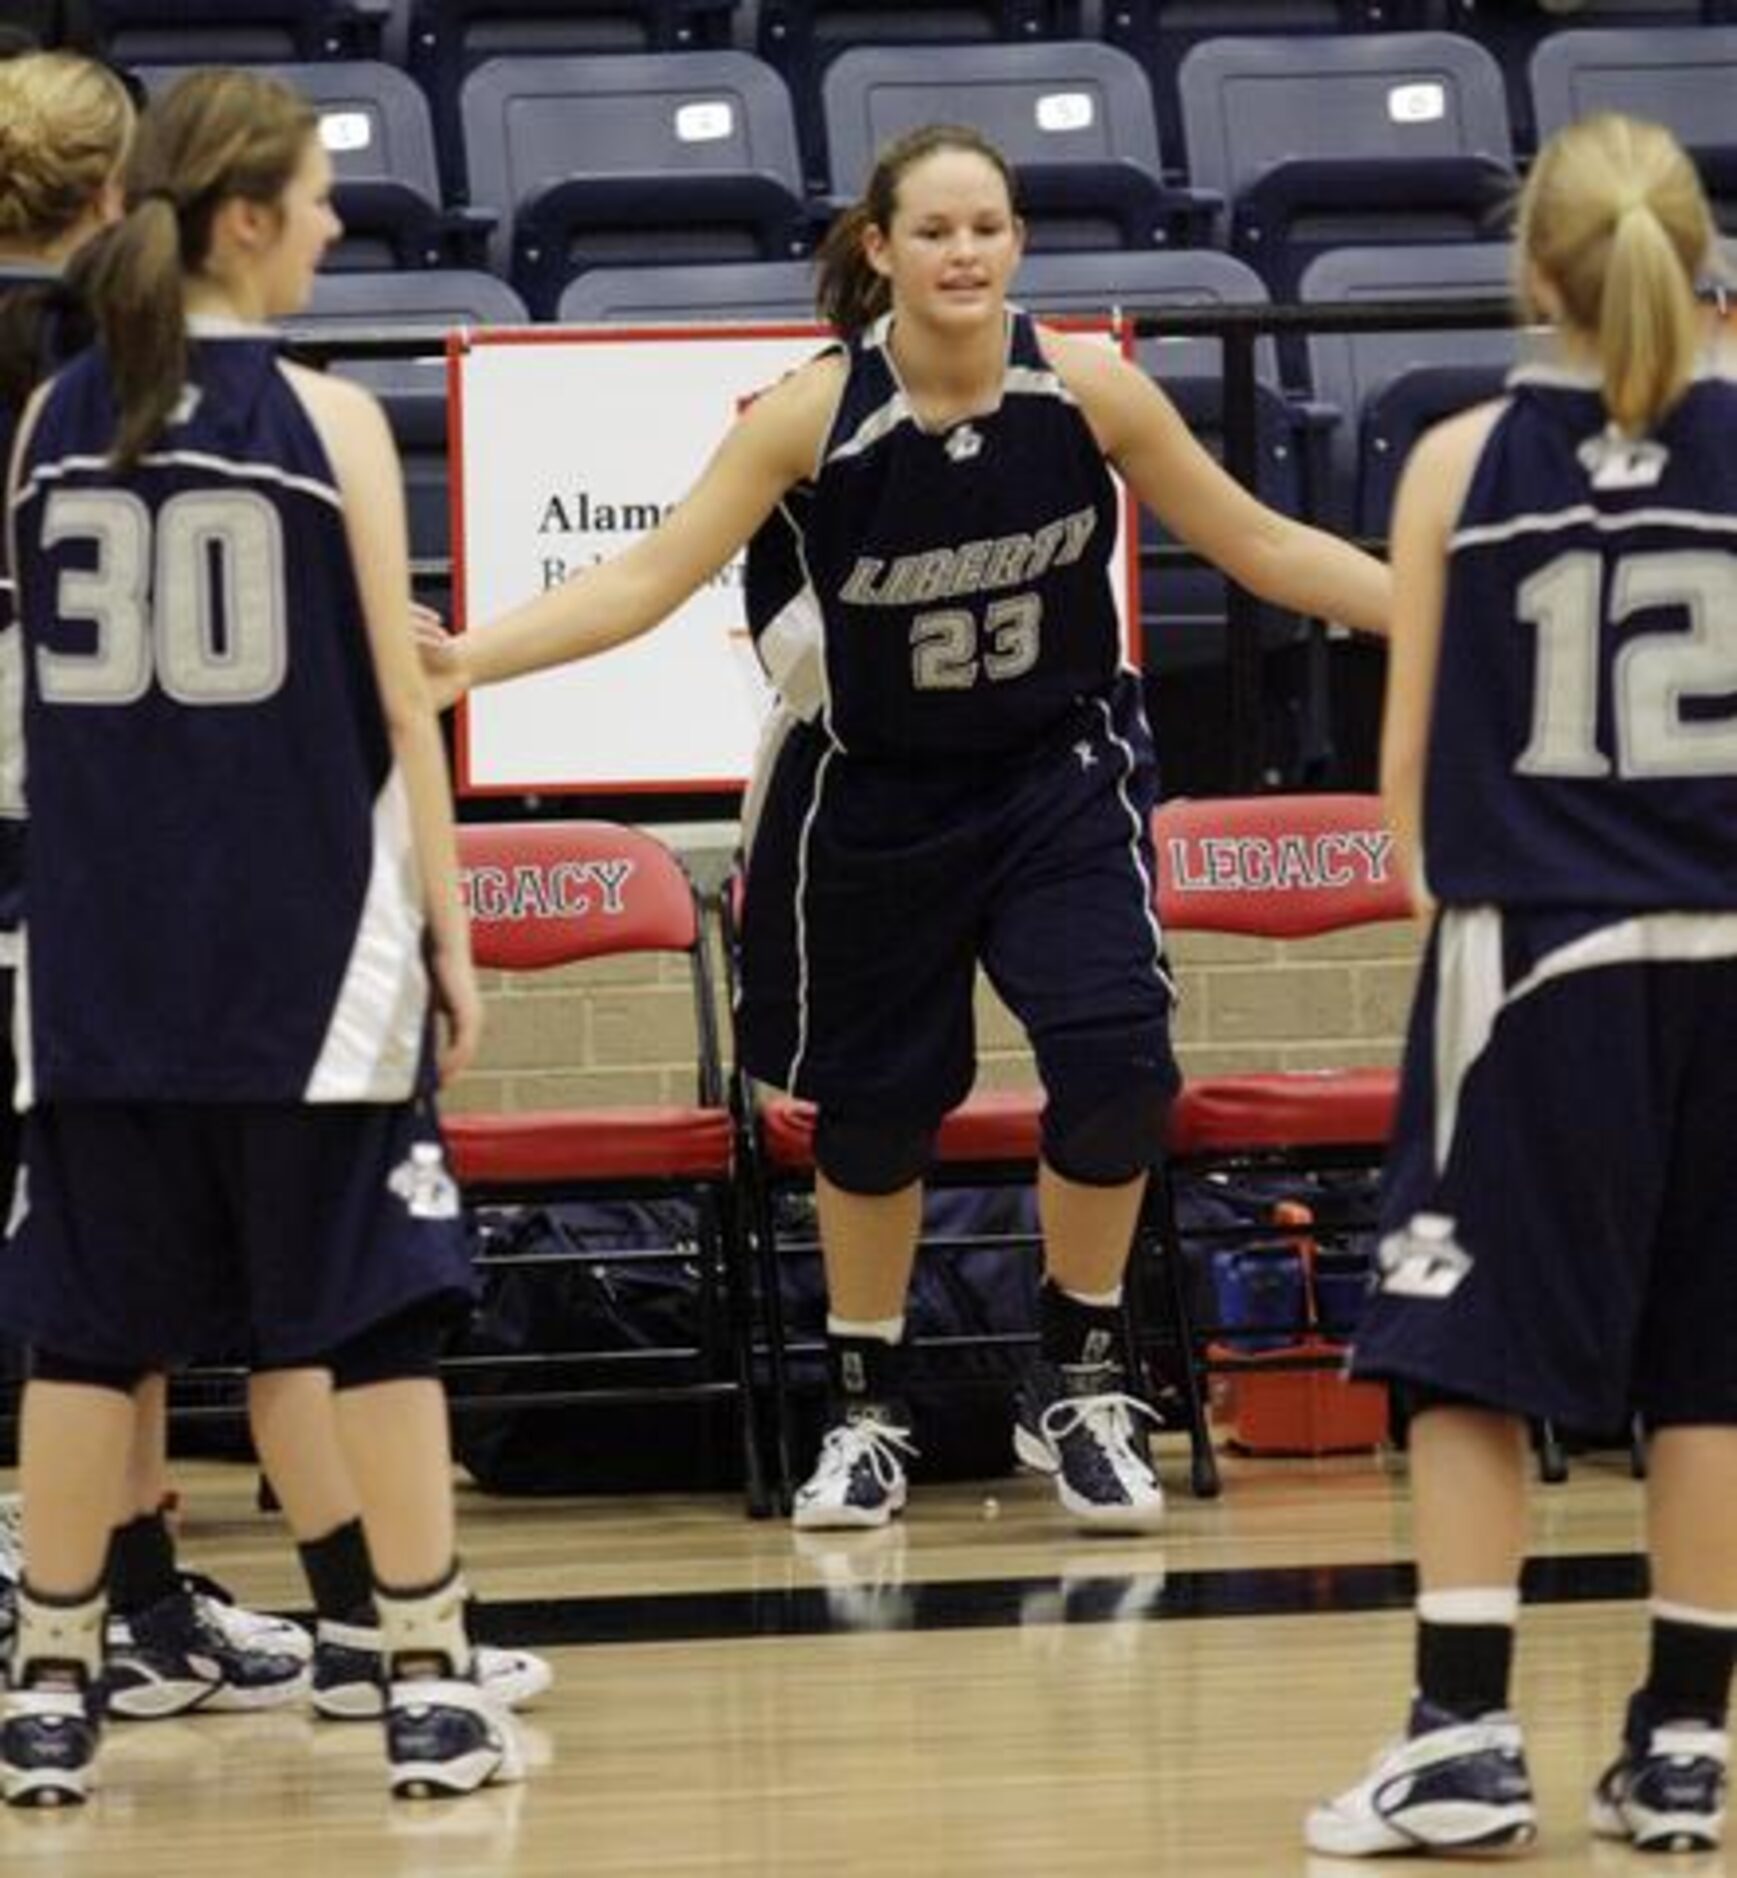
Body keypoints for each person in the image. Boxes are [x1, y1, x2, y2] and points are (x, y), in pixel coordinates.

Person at [422, 122, 1389, 1536]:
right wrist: (467, 662)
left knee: (1119, 1060)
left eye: (986, 228)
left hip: (1056, 772)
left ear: (1015, 244)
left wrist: (1446, 604)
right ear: (878, 247)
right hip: (870, 791)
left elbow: (1262, 544)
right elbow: (641, 580)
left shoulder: (1090, 391)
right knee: (872, 1116)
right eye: (933, 230)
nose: (963, 253)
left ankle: (1085, 1374)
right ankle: (864, 1399)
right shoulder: (808, 415)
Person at [0, 49, 550, 1736]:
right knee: (368, 1321)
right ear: (244, 218)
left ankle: (48, 1684)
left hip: (96, 953)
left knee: (88, 1339)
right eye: (312, 201)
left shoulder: (51, 418)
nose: (329, 226)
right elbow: (401, 704)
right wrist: (450, 930)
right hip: (303, 951)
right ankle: (425, 1673)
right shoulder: (316, 423)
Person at [1306, 113, 1737, 1859]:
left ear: (1528, 270)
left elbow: (1405, 781)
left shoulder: (1457, 462)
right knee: (1708, 1369)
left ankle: (1463, 1734)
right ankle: (1685, 1746)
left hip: (1541, 953)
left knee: (1464, 1350)